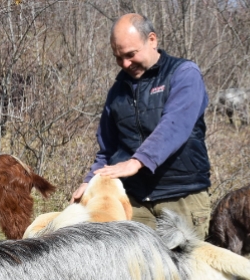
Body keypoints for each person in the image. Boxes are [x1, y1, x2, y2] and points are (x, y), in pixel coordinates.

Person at [72, 13, 212, 237]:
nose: (125, 64)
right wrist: (89, 182)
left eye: (131, 54)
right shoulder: (118, 91)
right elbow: (108, 148)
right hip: (134, 201)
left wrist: (138, 161)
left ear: (152, 40)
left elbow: (174, 126)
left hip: (181, 197)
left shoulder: (184, 74)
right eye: (118, 57)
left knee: (182, 270)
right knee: (134, 270)